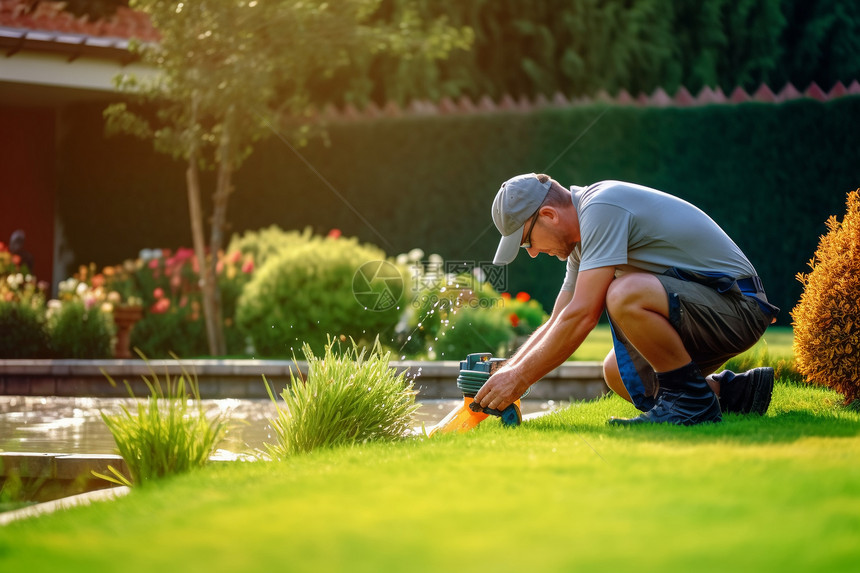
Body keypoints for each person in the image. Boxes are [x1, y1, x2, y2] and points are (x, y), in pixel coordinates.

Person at [474, 173, 779, 425]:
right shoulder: (582, 240)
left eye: (527, 240)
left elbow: (582, 316)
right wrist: (508, 371)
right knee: (619, 373)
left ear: (549, 215)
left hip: (739, 306)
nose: (532, 252)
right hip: (713, 308)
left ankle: (692, 406)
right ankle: (734, 393)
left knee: (624, 294)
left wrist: (520, 378)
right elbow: (559, 318)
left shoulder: (602, 208)